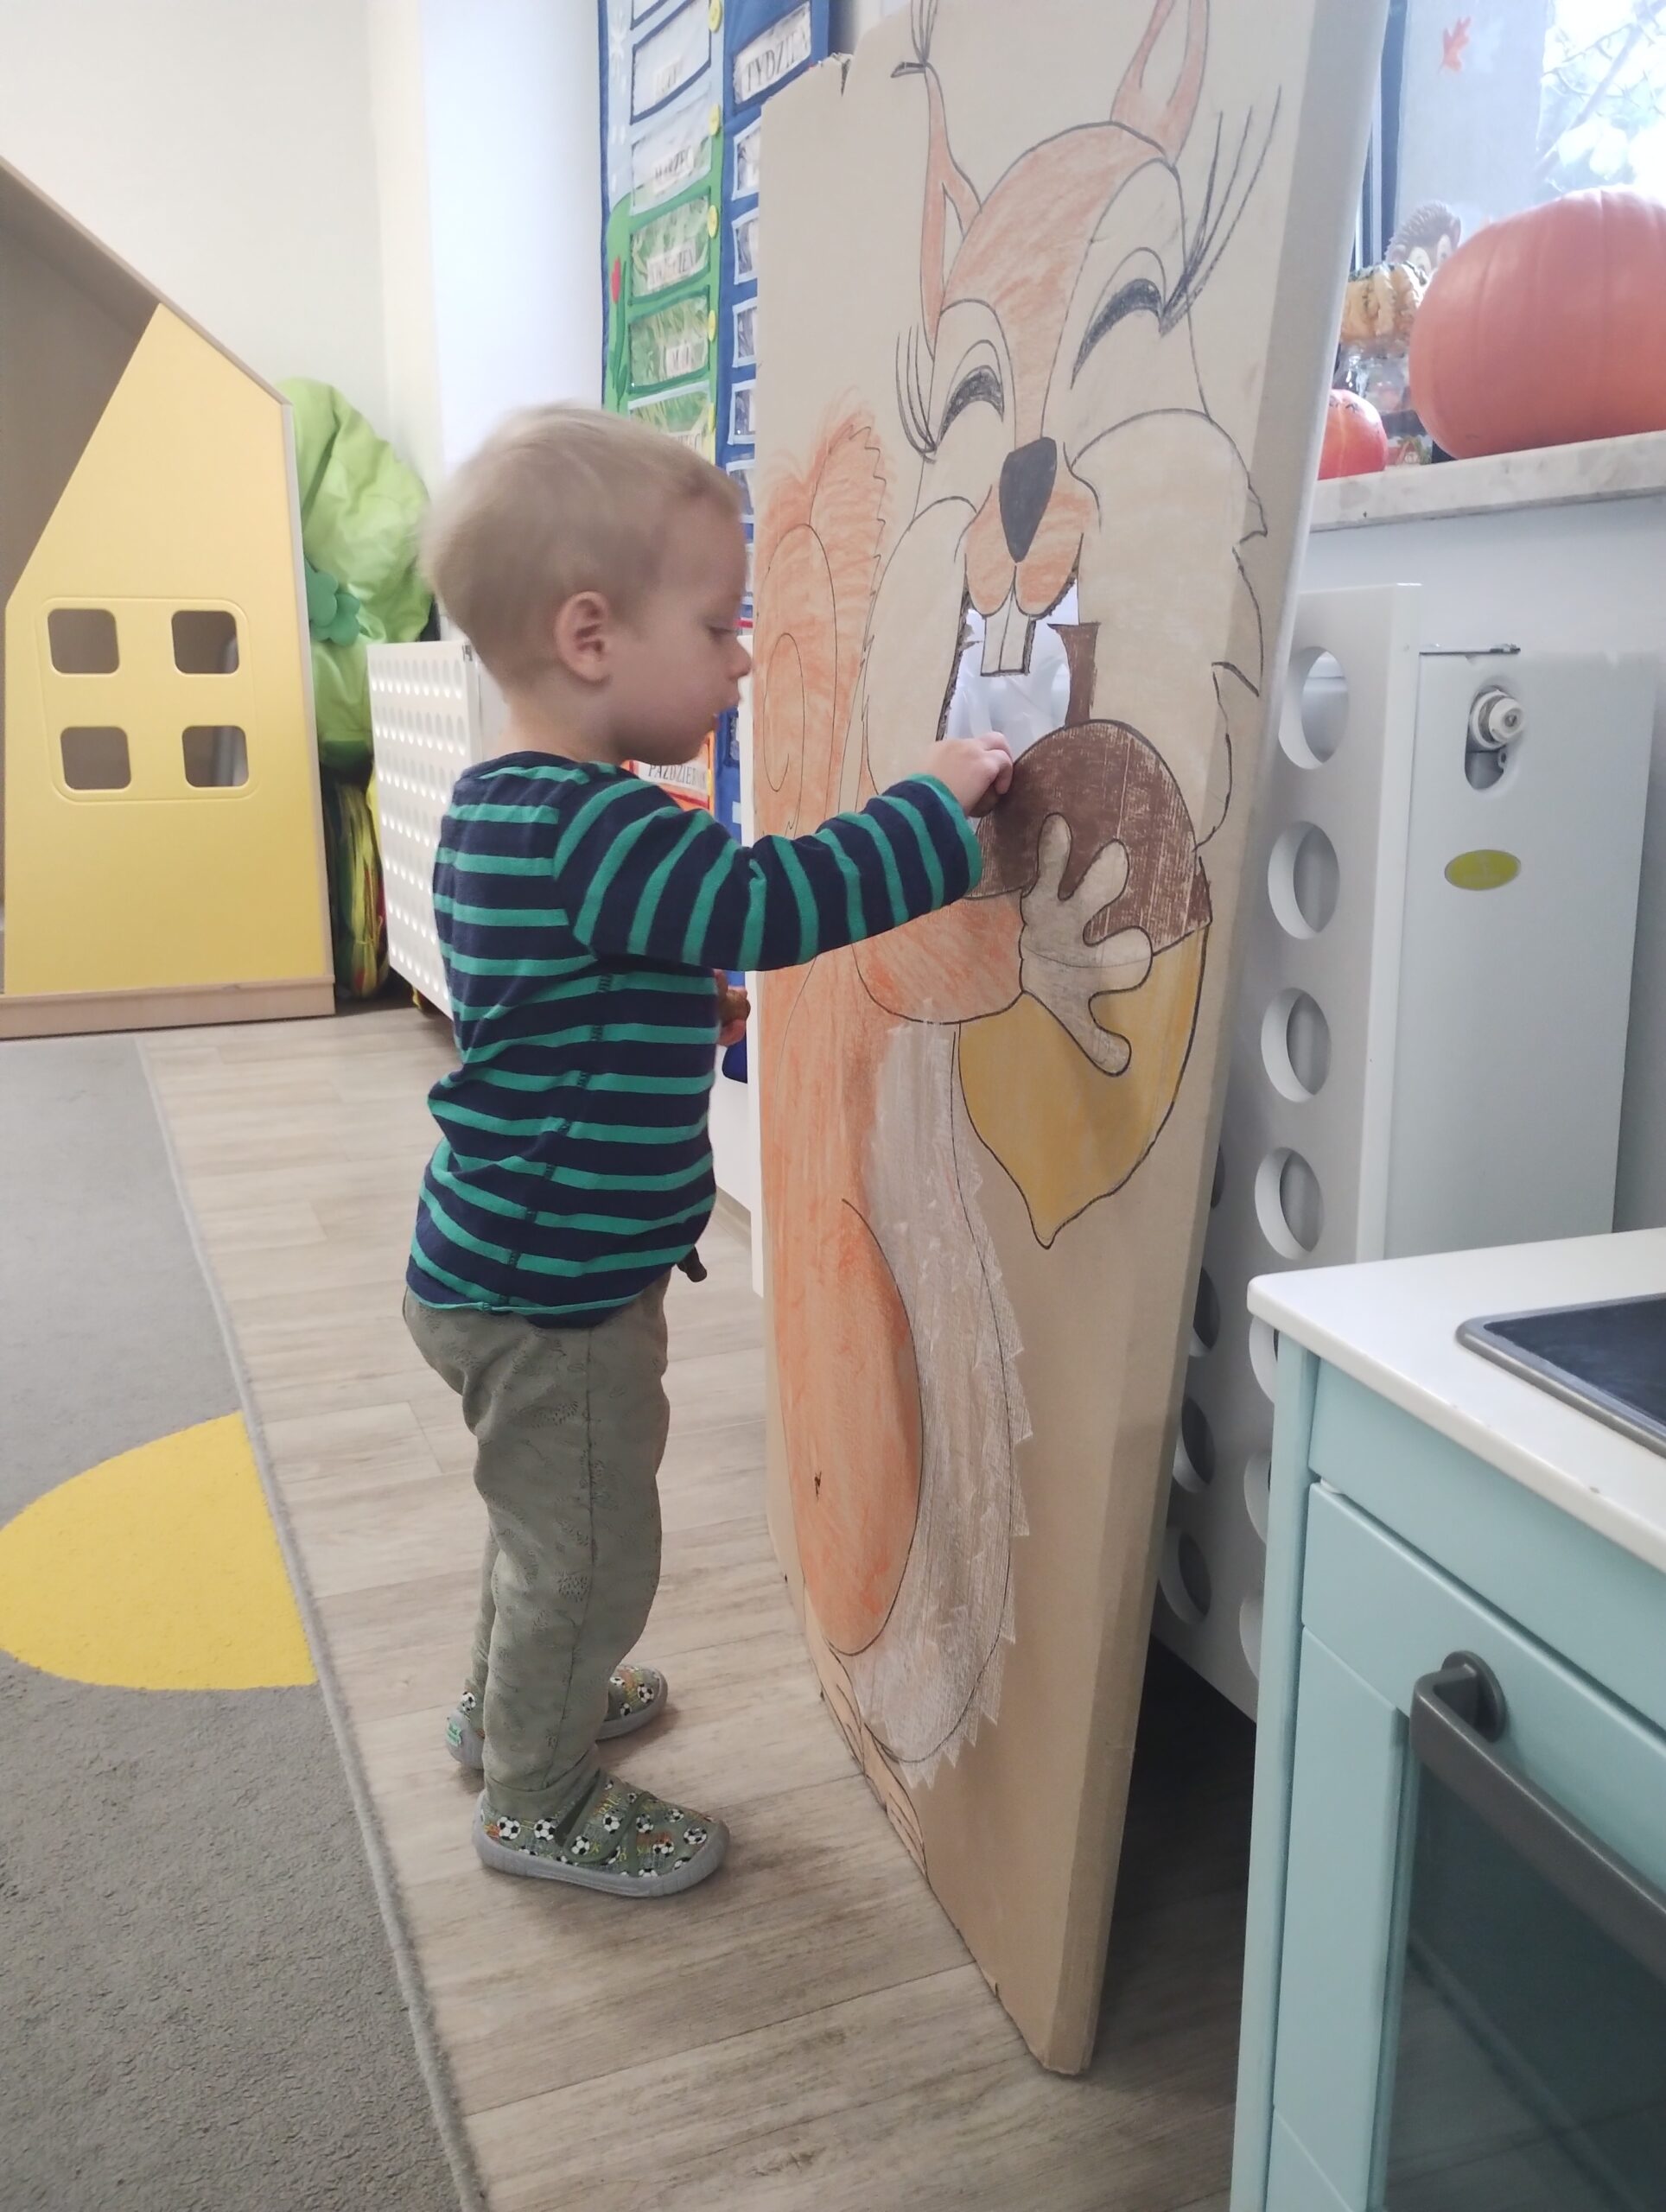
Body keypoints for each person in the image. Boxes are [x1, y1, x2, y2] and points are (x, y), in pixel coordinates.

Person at [403, 404, 1013, 1897]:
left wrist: (677, 1003)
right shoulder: (609, 832)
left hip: (495, 1264)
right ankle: (537, 1798)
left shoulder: (507, 806)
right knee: (590, 1546)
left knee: (542, 1518)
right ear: (592, 636)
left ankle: (510, 1709)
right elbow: (774, 903)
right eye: (720, 624)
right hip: (553, 1298)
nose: (743, 660)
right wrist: (935, 806)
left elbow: (554, 997)